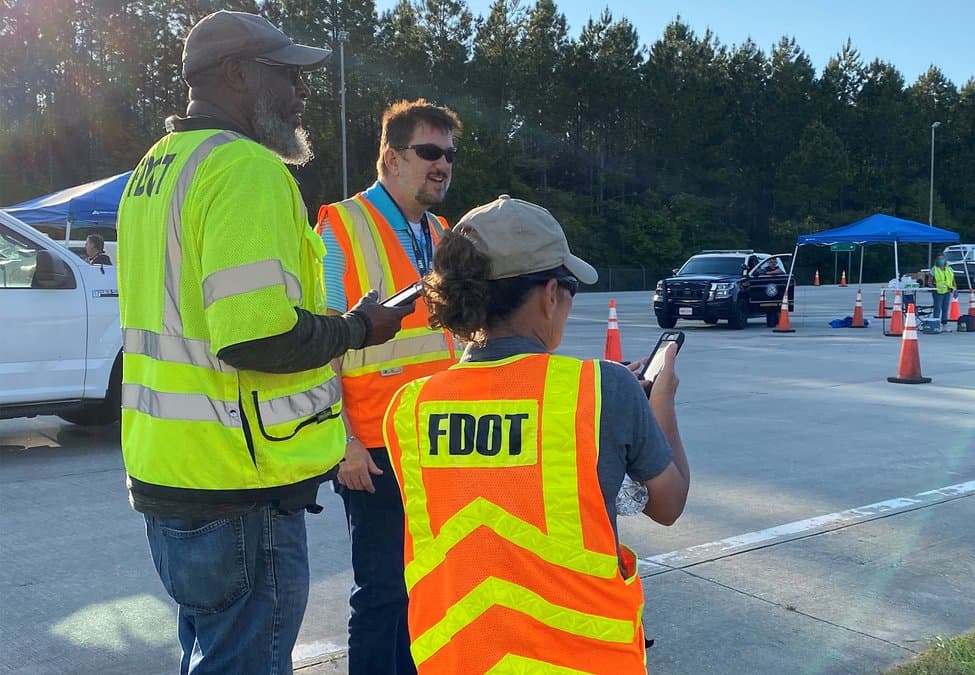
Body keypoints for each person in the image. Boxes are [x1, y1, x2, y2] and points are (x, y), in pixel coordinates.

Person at [116, 10, 412, 674]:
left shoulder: (154, 169)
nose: (303, 91)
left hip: (170, 473)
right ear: (236, 75)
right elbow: (253, 334)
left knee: (209, 653)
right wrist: (360, 328)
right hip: (237, 488)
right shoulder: (243, 169)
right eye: (289, 74)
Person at [382, 195, 690, 673]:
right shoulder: (603, 389)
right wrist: (660, 400)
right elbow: (668, 503)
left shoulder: (410, 407)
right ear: (550, 294)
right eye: (568, 289)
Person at [315, 99, 461, 675]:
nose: (442, 164)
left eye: (449, 154)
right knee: (382, 593)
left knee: (430, 586)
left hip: (440, 442)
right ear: (389, 158)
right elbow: (321, 343)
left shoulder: (444, 233)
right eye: (429, 152)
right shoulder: (341, 227)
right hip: (372, 448)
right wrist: (340, 439)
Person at [931, 255, 957, 328]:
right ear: (937, 260)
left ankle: (944, 325)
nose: (941, 260)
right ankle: (936, 325)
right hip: (938, 292)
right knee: (937, 308)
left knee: (945, 308)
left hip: (947, 291)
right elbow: (929, 281)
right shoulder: (934, 269)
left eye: (942, 259)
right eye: (939, 259)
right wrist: (933, 288)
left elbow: (953, 279)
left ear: (945, 260)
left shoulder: (949, 268)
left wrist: (955, 289)